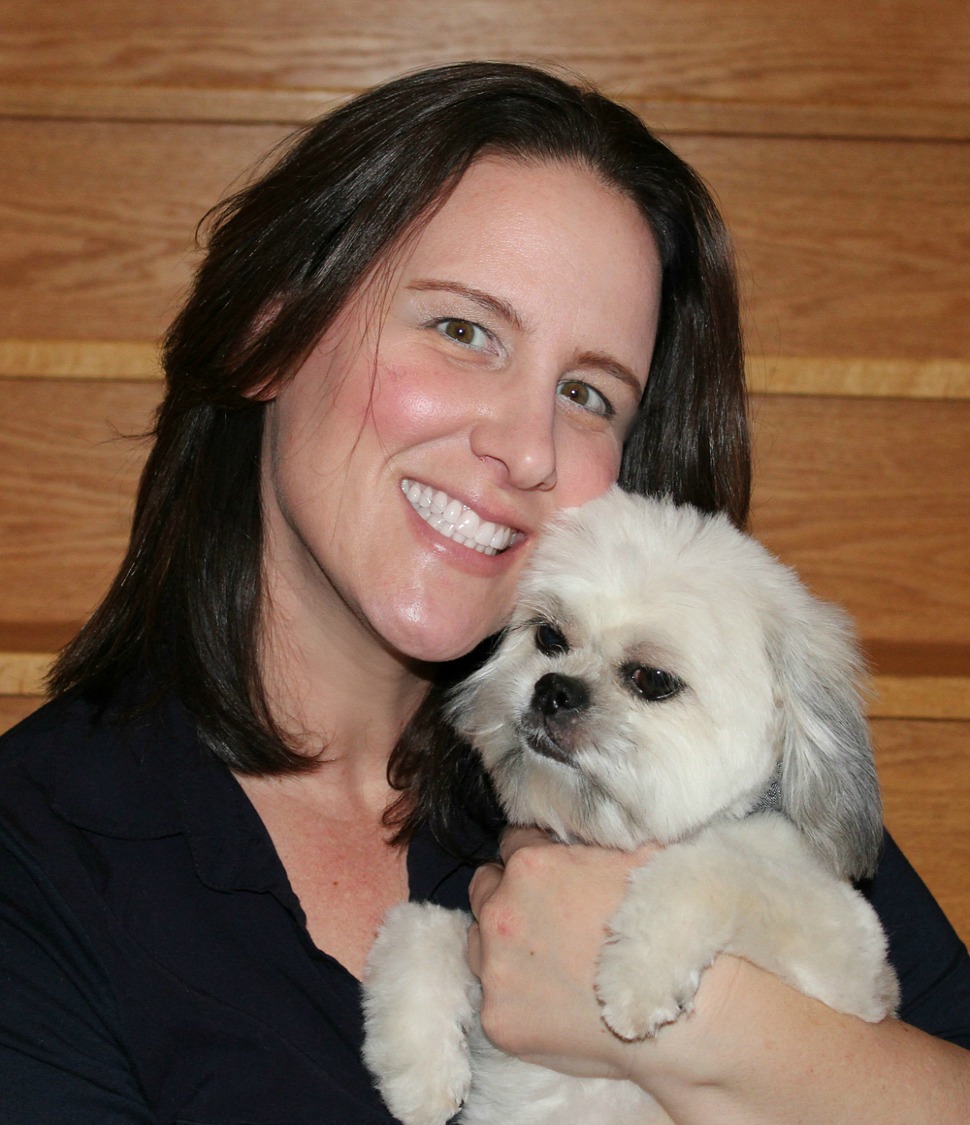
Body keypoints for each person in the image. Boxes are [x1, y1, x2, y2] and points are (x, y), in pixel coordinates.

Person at [0, 60, 966, 1123]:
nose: (526, 447)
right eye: (463, 331)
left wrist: (699, 1030)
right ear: (268, 330)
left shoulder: (715, 767)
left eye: (587, 393)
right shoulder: (40, 859)